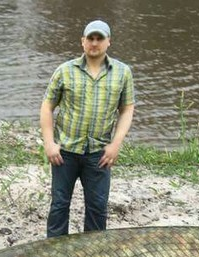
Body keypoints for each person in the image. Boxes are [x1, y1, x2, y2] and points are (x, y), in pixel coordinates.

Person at [41, 19, 135, 237]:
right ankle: (55, 252)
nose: (95, 43)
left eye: (99, 38)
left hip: (99, 154)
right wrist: (49, 143)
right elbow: (47, 106)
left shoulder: (123, 73)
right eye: (90, 38)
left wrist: (115, 145)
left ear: (108, 42)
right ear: (83, 41)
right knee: (59, 206)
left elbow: (127, 110)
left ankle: (93, 255)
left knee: (97, 208)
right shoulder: (64, 71)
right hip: (64, 152)